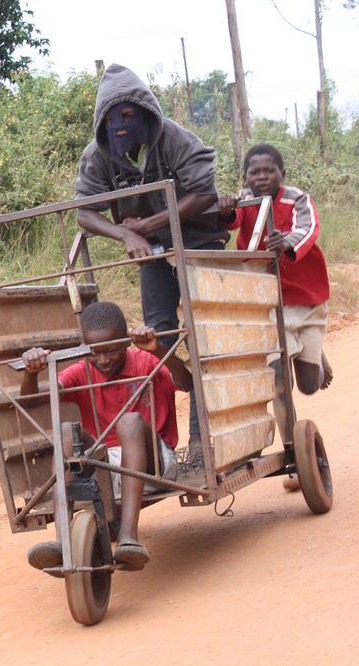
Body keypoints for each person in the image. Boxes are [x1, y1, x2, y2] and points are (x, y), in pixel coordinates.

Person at [74, 63, 226, 463]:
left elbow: (204, 192)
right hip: (153, 252)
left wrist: (147, 223)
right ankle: (178, 430)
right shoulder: (100, 153)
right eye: (110, 119)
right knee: (160, 336)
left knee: (205, 335)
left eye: (127, 116)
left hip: (199, 244)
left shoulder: (175, 138)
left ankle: (201, 438)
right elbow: (83, 212)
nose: (120, 126)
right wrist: (126, 233)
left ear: (143, 112)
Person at [19, 301, 192, 571]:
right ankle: (61, 541)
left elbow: (187, 382)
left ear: (125, 342)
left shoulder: (145, 360)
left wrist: (157, 349)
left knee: (130, 420)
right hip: (105, 468)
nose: (103, 360)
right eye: (94, 353)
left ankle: (128, 537)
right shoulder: (82, 372)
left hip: (153, 464)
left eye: (111, 350)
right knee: (66, 430)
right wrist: (32, 373)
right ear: (85, 348)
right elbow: (30, 400)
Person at [217, 143, 333, 490]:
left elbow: (308, 229)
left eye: (269, 171)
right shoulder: (244, 199)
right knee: (279, 379)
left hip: (306, 301)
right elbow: (232, 218)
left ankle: (315, 351)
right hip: (267, 304)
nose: (262, 177)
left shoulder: (296, 198)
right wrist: (225, 208)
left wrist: (286, 243)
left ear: (281, 173)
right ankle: (294, 455)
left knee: (309, 386)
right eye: (255, 172)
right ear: (245, 177)